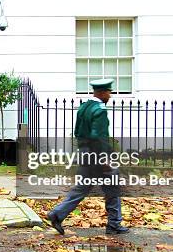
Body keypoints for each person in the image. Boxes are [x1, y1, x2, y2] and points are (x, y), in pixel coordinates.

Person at [47, 78, 129, 235]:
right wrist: (104, 158)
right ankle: (114, 224)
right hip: (98, 156)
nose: (110, 96)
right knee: (113, 188)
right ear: (103, 92)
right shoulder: (100, 110)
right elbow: (99, 136)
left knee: (82, 188)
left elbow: (77, 132)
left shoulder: (83, 107)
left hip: (85, 153)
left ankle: (57, 214)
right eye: (109, 92)